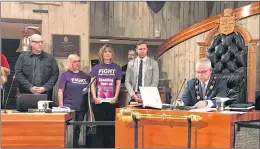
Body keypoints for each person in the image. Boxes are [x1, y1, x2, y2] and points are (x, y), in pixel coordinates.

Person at [89, 44, 122, 148]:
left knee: (110, 127)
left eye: (109, 51)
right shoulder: (96, 67)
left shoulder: (117, 67)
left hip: (111, 101)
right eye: (105, 51)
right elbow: (92, 84)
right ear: (101, 54)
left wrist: (115, 97)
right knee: (100, 127)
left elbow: (118, 84)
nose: (107, 53)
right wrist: (94, 97)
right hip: (98, 102)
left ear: (112, 54)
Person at [15, 34, 59, 103]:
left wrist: (45, 87)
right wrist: (30, 87)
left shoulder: (50, 58)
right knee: (26, 113)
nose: (40, 44)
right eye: (37, 42)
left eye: (41, 42)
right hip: (26, 94)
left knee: (44, 113)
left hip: (45, 95)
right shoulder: (22, 57)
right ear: (31, 43)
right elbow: (18, 73)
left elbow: (55, 75)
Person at [58, 54, 90, 148]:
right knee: (68, 129)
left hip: (81, 107)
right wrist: (61, 105)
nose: (77, 63)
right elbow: (60, 90)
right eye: (75, 61)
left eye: (79, 61)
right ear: (70, 63)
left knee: (77, 129)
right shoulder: (65, 75)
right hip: (69, 107)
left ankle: (75, 146)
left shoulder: (84, 75)